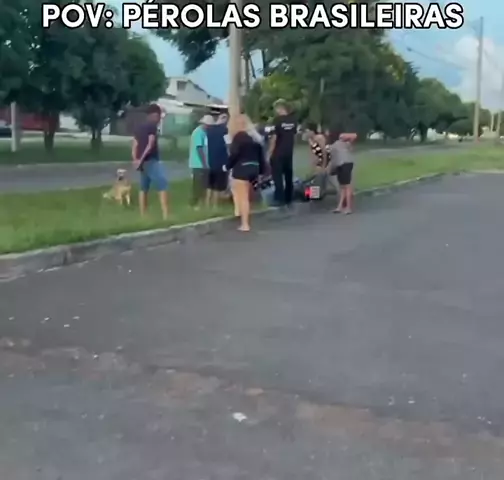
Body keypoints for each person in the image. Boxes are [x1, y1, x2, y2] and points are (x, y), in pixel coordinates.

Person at [226, 114, 266, 232]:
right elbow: (261, 156)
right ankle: (241, 215)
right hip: (254, 168)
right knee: (246, 195)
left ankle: (245, 224)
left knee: (242, 196)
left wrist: (227, 166)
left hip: (241, 168)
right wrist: (262, 171)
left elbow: (234, 154)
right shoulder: (255, 138)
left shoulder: (238, 137)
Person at [132, 103, 169, 219]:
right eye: (158, 116)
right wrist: (141, 159)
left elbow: (134, 144)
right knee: (162, 184)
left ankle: (143, 214)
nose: (159, 119)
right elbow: (150, 144)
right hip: (151, 160)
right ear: (154, 115)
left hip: (142, 163)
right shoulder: (152, 127)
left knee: (144, 187)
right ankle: (166, 214)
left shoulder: (139, 127)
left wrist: (136, 160)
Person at [267, 99, 297, 207]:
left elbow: (274, 138)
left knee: (277, 176)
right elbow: (293, 136)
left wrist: (270, 152)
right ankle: (289, 197)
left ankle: (279, 198)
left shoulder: (277, 120)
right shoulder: (293, 120)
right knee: (288, 175)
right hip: (289, 152)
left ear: (280, 108)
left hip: (278, 152)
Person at [328, 131, 357, 214]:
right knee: (342, 187)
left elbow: (354, 136)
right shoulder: (332, 146)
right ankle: (340, 207)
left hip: (346, 164)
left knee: (347, 186)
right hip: (340, 165)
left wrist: (343, 136)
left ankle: (348, 207)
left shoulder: (342, 142)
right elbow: (333, 159)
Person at [189, 114, 214, 209]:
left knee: (203, 184)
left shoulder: (204, 132)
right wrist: (204, 163)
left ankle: (200, 203)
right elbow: (199, 148)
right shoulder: (198, 132)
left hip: (204, 163)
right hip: (198, 163)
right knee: (197, 185)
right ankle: (194, 204)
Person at [206, 113, 229, 207]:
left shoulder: (209, 130)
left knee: (210, 185)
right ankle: (215, 205)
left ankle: (207, 203)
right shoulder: (225, 130)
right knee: (217, 185)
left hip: (210, 160)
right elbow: (228, 144)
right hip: (221, 160)